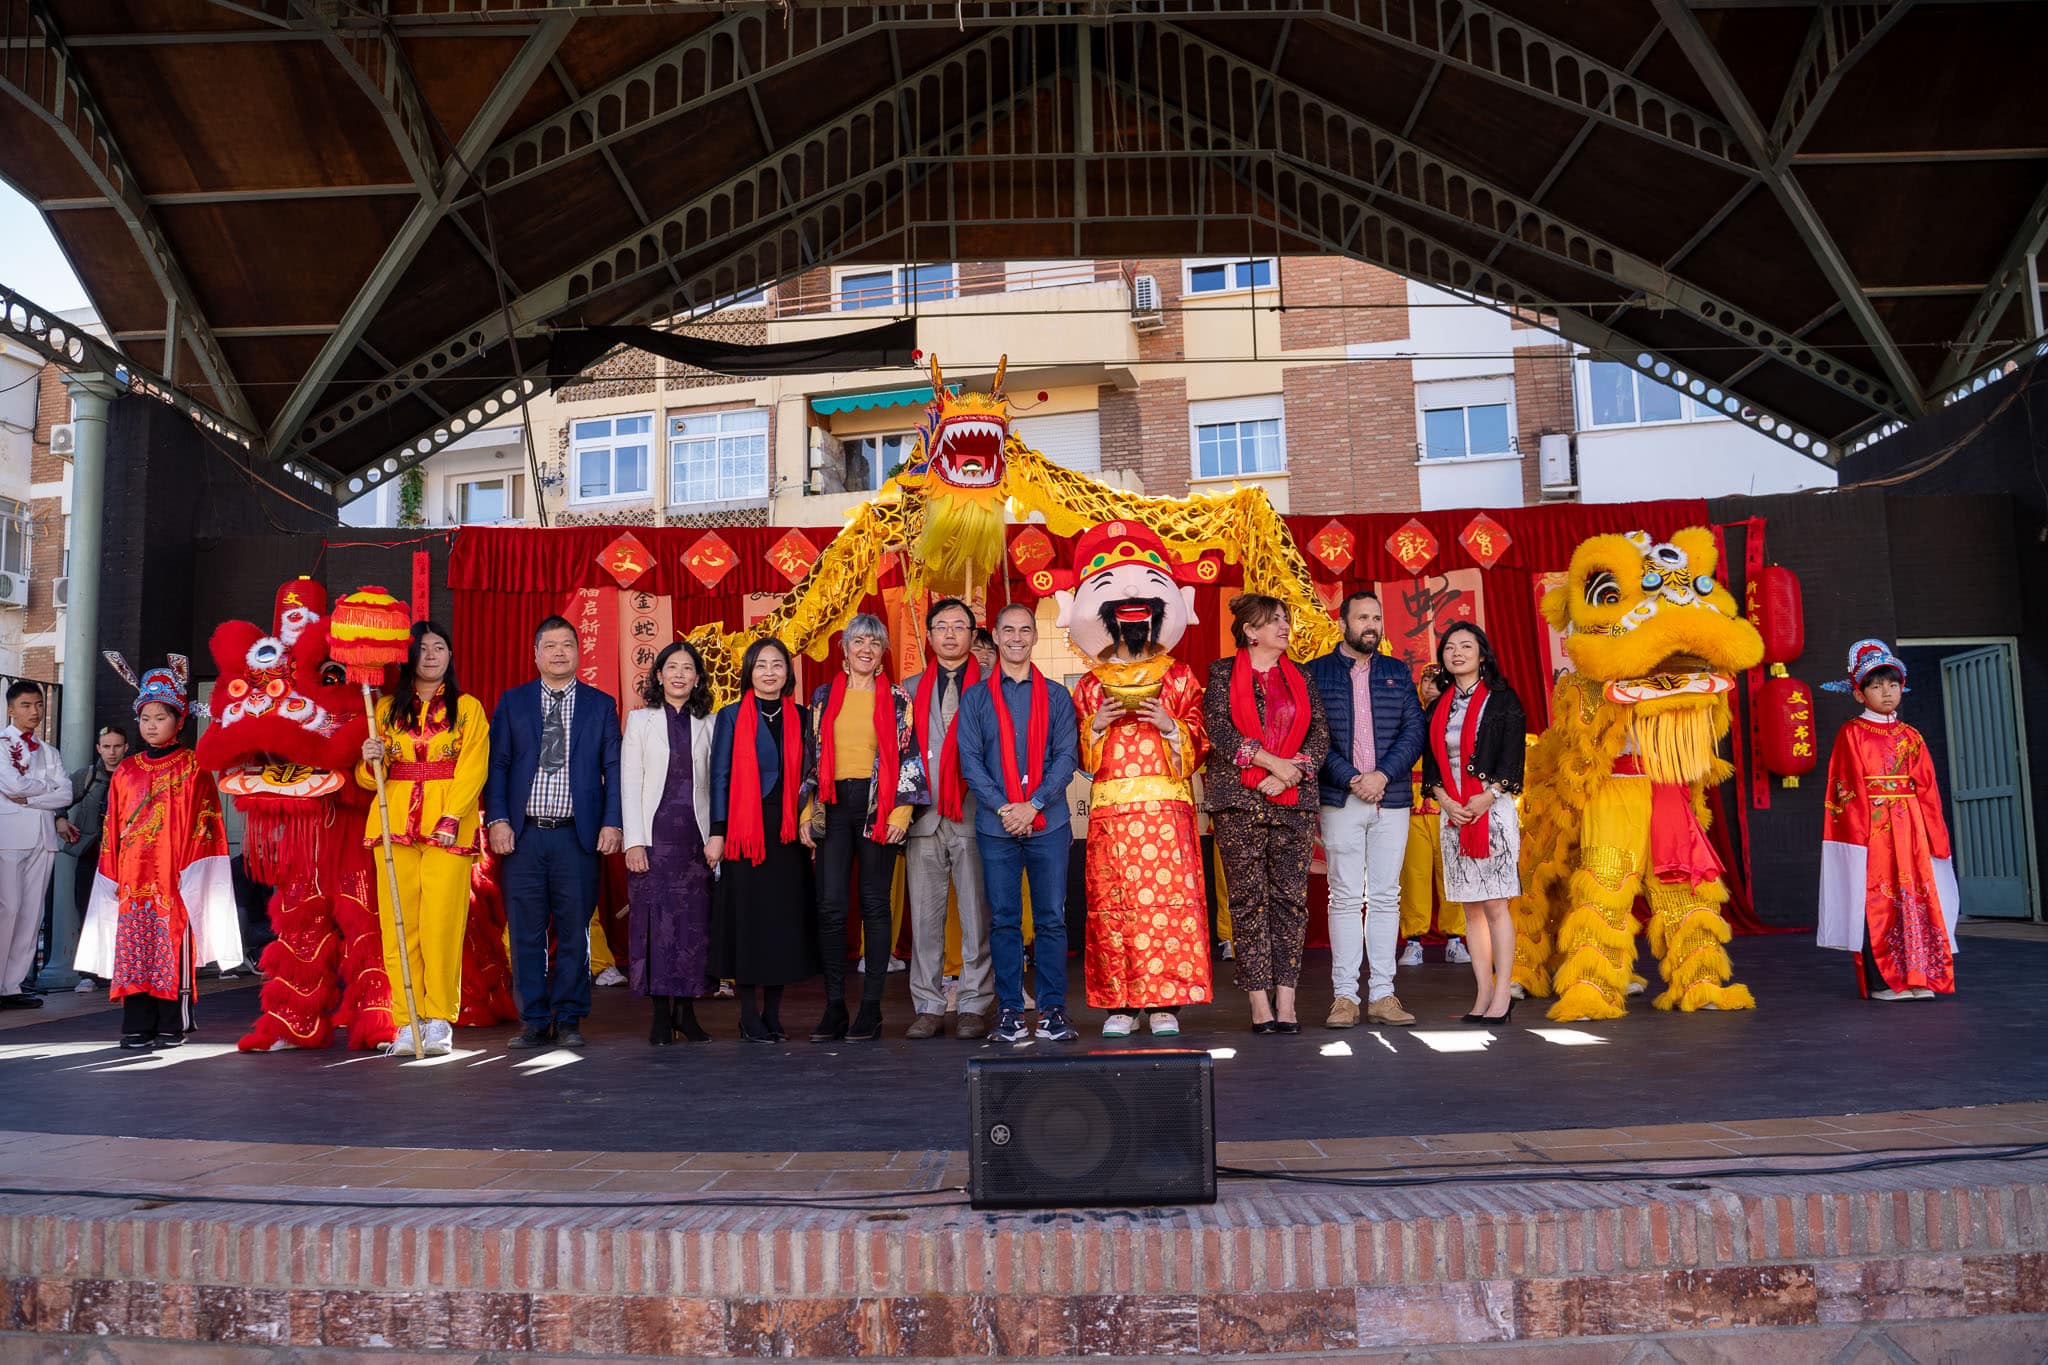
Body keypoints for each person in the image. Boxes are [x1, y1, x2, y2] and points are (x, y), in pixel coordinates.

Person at [1050, 519, 1215, 1038]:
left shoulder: (1181, 675)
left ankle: (1166, 1003)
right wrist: (1094, 726)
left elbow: (1201, 740)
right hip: (1111, 814)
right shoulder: (1091, 683)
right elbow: (1075, 755)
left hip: (1167, 810)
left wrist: (1170, 726)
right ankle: (1119, 1005)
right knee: (1112, 907)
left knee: (1168, 905)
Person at [76, 657, 239, 1049]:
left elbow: (205, 824)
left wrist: (193, 874)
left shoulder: (193, 767)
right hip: (132, 881)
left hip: (174, 878)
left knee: (172, 947)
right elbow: (111, 826)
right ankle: (136, 1023)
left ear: (179, 720)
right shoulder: (126, 770)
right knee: (133, 949)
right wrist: (112, 873)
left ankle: (171, 1023)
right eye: (145, 716)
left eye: (160, 716)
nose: (150, 724)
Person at [483, 615, 623, 1050]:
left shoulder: (600, 705)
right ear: (536, 653)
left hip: (574, 837)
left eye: (567, 645)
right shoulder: (514, 702)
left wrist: (613, 822)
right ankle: (534, 1019)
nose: (559, 652)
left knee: (574, 931)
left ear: (579, 652)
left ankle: (569, 1017)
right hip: (523, 837)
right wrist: (498, 819)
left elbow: (612, 769)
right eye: (550, 645)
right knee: (526, 932)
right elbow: (498, 765)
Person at [358, 620, 488, 1059]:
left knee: (441, 925)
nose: (432, 655)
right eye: (424, 648)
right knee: (398, 928)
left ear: (450, 657)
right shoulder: (385, 709)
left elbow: (474, 765)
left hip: (446, 826)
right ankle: (405, 1019)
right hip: (394, 823)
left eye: (440, 648)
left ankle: (438, 1020)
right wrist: (368, 758)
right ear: (409, 656)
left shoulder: (468, 708)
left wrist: (453, 814)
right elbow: (370, 778)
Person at [1203, 594, 1330, 1034]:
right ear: (1250, 631)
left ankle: (1288, 1000)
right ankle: (1259, 1001)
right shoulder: (1222, 673)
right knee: (1247, 901)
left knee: (1291, 901)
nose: (1283, 627)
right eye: (1274, 621)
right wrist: (1271, 763)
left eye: (1285, 619)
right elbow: (1218, 728)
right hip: (1238, 800)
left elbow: (1320, 737)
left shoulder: (1303, 677)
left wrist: (1290, 775)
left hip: (1292, 802)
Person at [801, 613, 929, 1042]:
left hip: (879, 808)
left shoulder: (896, 699)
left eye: (875, 643)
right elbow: (810, 761)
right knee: (831, 907)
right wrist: (807, 814)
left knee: (876, 906)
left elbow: (909, 756)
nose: (866, 649)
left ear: (882, 654)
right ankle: (835, 1005)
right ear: (845, 649)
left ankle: (870, 1008)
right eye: (858, 641)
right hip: (833, 808)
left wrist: (900, 815)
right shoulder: (822, 697)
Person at [957, 603, 1080, 1042]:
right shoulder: (975, 698)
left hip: (1049, 823)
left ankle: (1052, 1011)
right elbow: (971, 763)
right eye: (1007, 630)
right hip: (996, 827)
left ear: (1034, 637)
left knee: (1051, 919)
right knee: (1005, 920)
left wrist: (1034, 804)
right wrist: (1008, 809)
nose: (1016, 637)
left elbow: (1067, 758)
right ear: (993, 634)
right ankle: (1009, 1010)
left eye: (1024, 630)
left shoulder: (1056, 696)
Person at [1817, 640, 1960, 1000]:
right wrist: (1858, 835)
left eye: (1893, 685)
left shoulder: (1911, 736)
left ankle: (1918, 977)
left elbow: (1927, 789)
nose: (1887, 692)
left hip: (1910, 826)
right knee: (1876, 898)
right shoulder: (1851, 733)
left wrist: (1935, 837)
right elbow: (1844, 789)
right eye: (1877, 686)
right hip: (1874, 829)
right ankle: (1884, 981)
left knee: (1917, 896)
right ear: (1859, 693)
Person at [1307, 591, 1424, 1029]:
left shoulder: (1396, 671)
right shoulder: (1316, 673)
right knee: (1343, 897)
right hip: (1341, 797)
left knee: (1385, 896)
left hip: (1389, 799)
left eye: (1377, 617)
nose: (1371, 625)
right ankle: (1343, 997)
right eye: (1362, 617)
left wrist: (1382, 777)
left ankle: (1383, 994)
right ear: (1343, 623)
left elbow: (1414, 731)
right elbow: (1314, 737)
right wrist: (1354, 778)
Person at [709, 637, 819, 1041]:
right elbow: (720, 777)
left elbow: (813, 777)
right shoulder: (731, 716)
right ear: (749, 673)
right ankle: (747, 1014)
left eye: (777, 665)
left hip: (789, 832)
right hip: (743, 832)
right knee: (749, 925)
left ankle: (773, 1013)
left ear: (788, 673)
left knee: (782, 926)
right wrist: (718, 833)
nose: (770, 672)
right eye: (761, 665)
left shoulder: (804, 716)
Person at [1419, 622, 1525, 1025]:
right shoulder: (1437, 706)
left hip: (1491, 810)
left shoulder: (1503, 700)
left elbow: (1513, 759)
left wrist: (1486, 796)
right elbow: (1431, 766)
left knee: (1496, 904)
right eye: (1450, 648)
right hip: (1454, 813)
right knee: (1471, 909)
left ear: (1483, 655)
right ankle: (1481, 993)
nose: (1457, 653)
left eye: (1466, 646)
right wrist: (1446, 799)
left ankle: (1503, 993)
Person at [902, 597, 992, 1039]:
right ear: (930, 635)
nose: (951, 634)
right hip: (922, 819)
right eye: (942, 626)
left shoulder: (993, 685)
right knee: (925, 919)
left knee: (977, 916)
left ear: (974, 636)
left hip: (976, 816)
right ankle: (928, 1004)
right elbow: (898, 756)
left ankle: (975, 1004)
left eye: (961, 625)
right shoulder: (909, 688)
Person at [623, 639, 717, 1043]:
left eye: (688, 669)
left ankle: (688, 1013)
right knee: (655, 926)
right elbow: (630, 782)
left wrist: (717, 835)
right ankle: (661, 1014)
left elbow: (717, 785)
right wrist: (634, 841)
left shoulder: (711, 724)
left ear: (697, 679)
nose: (679, 674)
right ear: (658, 676)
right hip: (654, 837)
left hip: (695, 839)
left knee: (693, 926)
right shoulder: (639, 720)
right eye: (672, 668)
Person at [0, 680, 70, 1009]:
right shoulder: (1, 745)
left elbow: (66, 794)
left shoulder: (50, 751)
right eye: (26, 705)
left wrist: (28, 797)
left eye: (39, 705)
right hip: (9, 837)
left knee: (31, 913)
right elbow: (11, 782)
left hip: (44, 837)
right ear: (11, 710)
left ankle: (12, 986)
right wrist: (45, 789)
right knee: (7, 909)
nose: (34, 711)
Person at [1397, 666, 1468, 968]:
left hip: (1449, 805)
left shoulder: (1457, 720)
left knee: (1451, 873)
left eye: (1438, 682)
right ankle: (1413, 941)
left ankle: (1455, 939)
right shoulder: (1408, 719)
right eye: (1426, 680)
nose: (1430, 686)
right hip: (1413, 805)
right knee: (1414, 874)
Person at [57, 725, 130, 992]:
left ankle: (119, 969)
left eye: (117, 746)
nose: (112, 752)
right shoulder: (86, 776)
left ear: (126, 747)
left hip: (126, 856)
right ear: (99, 748)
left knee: (122, 912)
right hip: (91, 853)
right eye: (106, 747)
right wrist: (60, 818)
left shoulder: (133, 774)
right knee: (87, 911)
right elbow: (61, 797)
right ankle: (88, 973)